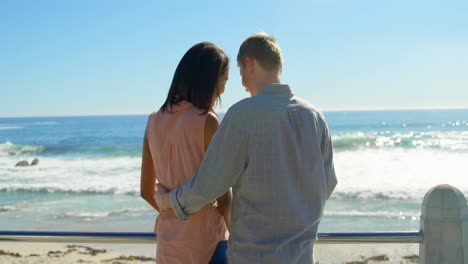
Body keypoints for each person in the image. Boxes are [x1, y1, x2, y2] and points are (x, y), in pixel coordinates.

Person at [155, 32, 338, 264]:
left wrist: (168, 200)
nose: (242, 84)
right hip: (302, 256)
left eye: (241, 72)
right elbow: (328, 182)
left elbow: (208, 184)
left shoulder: (243, 115)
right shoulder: (315, 117)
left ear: (249, 64)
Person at [140, 42, 232, 264]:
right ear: (210, 79)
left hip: (169, 243)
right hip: (208, 244)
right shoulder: (207, 121)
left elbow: (146, 191)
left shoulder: (153, 121)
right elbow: (223, 195)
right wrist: (242, 238)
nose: (224, 89)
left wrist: (174, 210)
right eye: (225, 80)